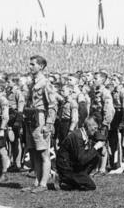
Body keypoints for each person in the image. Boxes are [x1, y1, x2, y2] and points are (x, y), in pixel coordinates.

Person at [22, 55, 57, 193]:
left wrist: (49, 124)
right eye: (29, 64)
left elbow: (53, 105)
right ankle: (36, 181)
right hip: (31, 118)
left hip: (40, 118)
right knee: (33, 152)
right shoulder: (32, 83)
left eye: (32, 64)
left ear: (41, 66)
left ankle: (43, 183)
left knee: (43, 152)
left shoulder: (45, 83)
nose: (30, 67)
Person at [55, 116, 103, 190]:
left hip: (73, 164)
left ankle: (76, 180)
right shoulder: (77, 136)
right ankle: (65, 180)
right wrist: (95, 147)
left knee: (96, 157)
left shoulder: (85, 133)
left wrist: (102, 144)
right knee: (91, 186)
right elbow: (82, 159)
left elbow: (102, 138)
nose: (96, 131)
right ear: (89, 127)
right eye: (95, 128)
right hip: (66, 167)